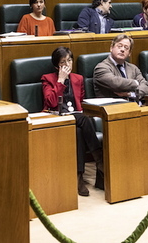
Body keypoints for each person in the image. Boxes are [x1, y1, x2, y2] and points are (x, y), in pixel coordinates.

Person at [93, 34, 148, 177]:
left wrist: (130, 94)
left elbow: (147, 87)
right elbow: (115, 82)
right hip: (116, 114)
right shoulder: (101, 68)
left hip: (139, 109)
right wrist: (135, 83)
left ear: (129, 53)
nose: (122, 50)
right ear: (111, 48)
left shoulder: (133, 68)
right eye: (119, 46)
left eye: (126, 48)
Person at [41, 47, 103, 196]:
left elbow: (80, 103)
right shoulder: (48, 79)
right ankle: (100, 160)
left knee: (78, 130)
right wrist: (61, 80)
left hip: (76, 119)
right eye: (63, 62)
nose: (67, 65)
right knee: (83, 120)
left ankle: (79, 177)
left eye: (69, 60)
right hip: (56, 117)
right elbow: (50, 102)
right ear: (57, 66)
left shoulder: (78, 79)